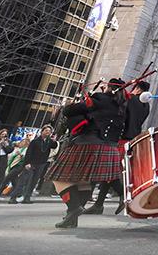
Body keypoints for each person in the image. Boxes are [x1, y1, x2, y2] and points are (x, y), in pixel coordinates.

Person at [45, 79, 126, 228]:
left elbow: (69, 111)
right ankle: (72, 218)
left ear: (108, 87)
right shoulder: (121, 106)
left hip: (87, 143)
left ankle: (73, 208)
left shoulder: (100, 98)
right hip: (109, 147)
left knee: (57, 178)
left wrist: (76, 102)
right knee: (82, 181)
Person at [85, 80, 151, 216]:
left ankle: (121, 196)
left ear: (137, 89)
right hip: (133, 141)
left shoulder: (130, 99)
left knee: (108, 170)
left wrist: (105, 95)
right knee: (109, 173)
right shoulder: (146, 106)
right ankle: (98, 204)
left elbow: (116, 106)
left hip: (120, 139)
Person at [9, 124, 55, 204]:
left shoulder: (49, 142)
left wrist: (53, 140)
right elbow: (29, 152)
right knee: (24, 180)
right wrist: (27, 163)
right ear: (42, 131)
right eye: (46, 130)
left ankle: (27, 197)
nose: (48, 132)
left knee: (33, 181)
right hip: (32, 163)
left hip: (41, 164)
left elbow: (54, 146)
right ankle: (13, 197)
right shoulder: (35, 141)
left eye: (49, 131)